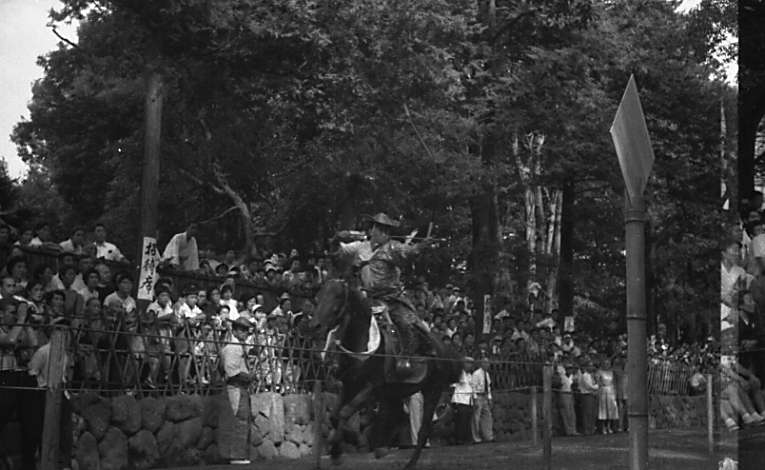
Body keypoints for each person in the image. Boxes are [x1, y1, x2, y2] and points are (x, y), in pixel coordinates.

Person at [335, 212, 434, 354]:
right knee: (339, 314)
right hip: (364, 297)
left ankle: (409, 355)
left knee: (408, 323)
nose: (382, 233)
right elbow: (340, 251)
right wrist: (337, 238)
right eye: (379, 228)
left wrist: (421, 246)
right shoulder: (359, 246)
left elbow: (409, 251)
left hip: (391, 298)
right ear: (372, 230)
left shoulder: (393, 247)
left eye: (386, 230)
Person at [218, 317, 253, 465]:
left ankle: (238, 454)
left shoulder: (239, 346)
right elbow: (232, 372)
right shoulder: (233, 347)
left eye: (246, 330)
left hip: (240, 387)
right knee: (238, 419)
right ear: (235, 331)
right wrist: (249, 377)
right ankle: (235, 455)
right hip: (235, 387)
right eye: (242, 330)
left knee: (241, 419)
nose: (245, 333)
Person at [470, 355, 494, 443]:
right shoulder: (476, 374)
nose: (487, 365)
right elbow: (473, 387)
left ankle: (488, 436)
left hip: (485, 396)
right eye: (485, 363)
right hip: (478, 395)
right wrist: (475, 398)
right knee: (476, 417)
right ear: (481, 364)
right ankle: (476, 438)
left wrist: (489, 398)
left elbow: (488, 387)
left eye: (488, 363)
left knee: (487, 416)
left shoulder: (487, 374)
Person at [450, 357, 474, 445]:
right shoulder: (459, 373)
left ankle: (464, 439)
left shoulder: (470, 375)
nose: (470, 365)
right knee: (460, 421)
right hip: (459, 400)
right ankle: (458, 439)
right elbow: (453, 385)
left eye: (471, 363)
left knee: (466, 421)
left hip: (468, 401)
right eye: (468, 363)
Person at [596, 358, 619, 434]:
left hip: (611, 391)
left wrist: (615, 392)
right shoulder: (599, 372)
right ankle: (603, 427)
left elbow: (613, 383)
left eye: (608, 364)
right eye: (605, 364)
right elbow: (597, 382)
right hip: (603, 390)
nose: (607, 365)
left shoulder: (611, 372)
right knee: (603, 409)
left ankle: (609, 426)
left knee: (610, 409)